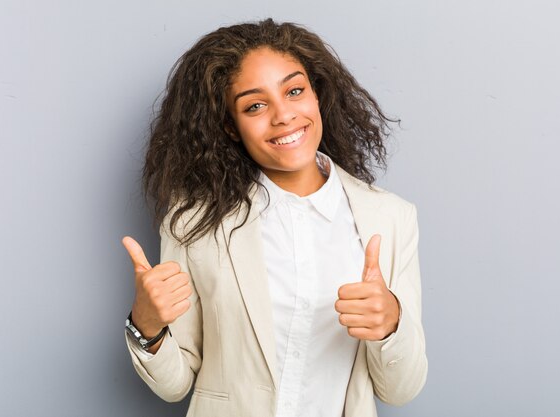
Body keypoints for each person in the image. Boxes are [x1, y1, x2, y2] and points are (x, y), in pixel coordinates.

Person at [122, 18, 427, 417]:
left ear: (317, 95)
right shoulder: (193, 223)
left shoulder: (390, 217)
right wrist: (145, 324)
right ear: (231, 126)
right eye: (255, 105)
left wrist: (391, 324)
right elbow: (174, 385)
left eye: (295, 91)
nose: (283, 116)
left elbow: (401, 391)